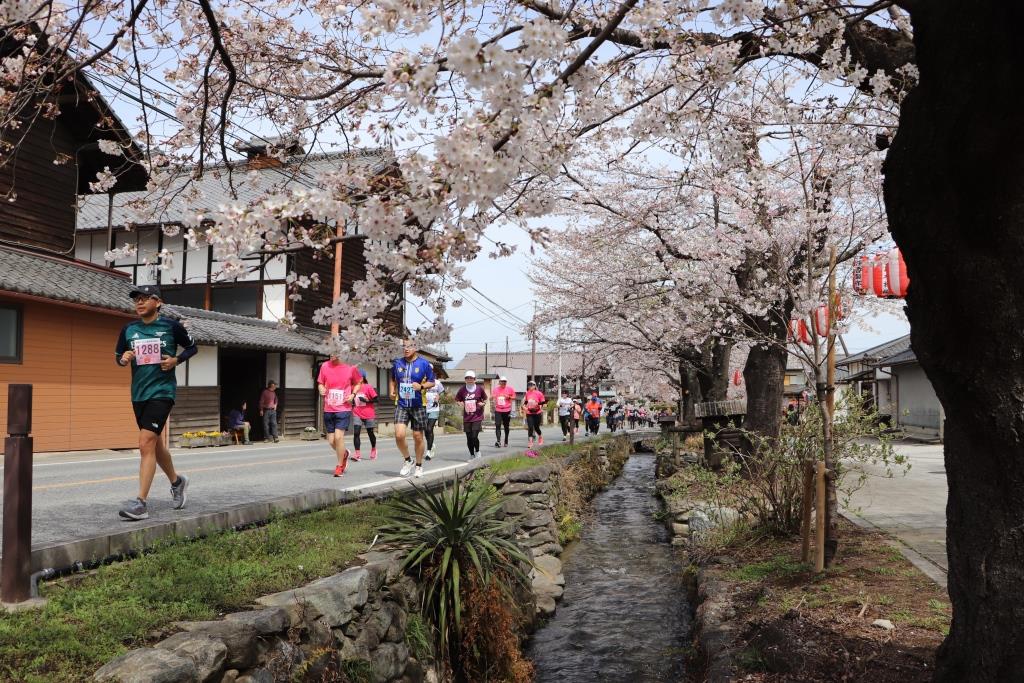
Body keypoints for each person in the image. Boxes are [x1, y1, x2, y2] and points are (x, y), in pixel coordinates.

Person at [114, 284, 197, 521]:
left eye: (144, 298)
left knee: (145, 442)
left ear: (157, 302)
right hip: (138, 393)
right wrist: (125, 358)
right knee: (154, 444)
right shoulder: (128, 329)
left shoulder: (171, 327)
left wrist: (175, 360)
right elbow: (119, 357)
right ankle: (177, 482)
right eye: (136, 299)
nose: (139, 303)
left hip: (162, 391)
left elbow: (193, 348)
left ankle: (140, 503)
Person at [390, 339, 436, 478]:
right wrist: (392, 390)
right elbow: (393, 379)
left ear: (415, 348)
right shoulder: (397, 363)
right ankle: (408, 460)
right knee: (399, 435)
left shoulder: (424, 364)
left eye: (409, 347)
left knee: (418, 437)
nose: (406, 349)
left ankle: (419, 465)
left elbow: (432, 382)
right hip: (402, 403)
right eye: (404, 346)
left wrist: (421, 386)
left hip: (418, 404)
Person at [317, 351, 363, 477]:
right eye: (330, 351)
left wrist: (353, 395)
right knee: (331, 441)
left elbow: (359, 382)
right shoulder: (325, 366)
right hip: (329, 408)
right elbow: (320, 382)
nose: (332, 354)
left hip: (343, 408)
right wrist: (321, 388)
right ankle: (345, 454)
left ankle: (339, 466)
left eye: (335, 351)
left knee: (338, 438)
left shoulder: (351, 367)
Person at [455, 370, 487, 459]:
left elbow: (485, 399)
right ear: (465, 379)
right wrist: (459, 403)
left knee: (474, 436)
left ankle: (477, 451)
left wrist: (483, 404)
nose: (469, 380)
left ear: (475, 379)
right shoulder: (462, 389)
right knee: (469, 438)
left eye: (471, 378)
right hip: (467, 417)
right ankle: (471, 454)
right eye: (467, 378)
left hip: (477, 416)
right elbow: (457, 399)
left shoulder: (479, 389)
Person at [352, 372, 379, 461]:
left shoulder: (368, 387)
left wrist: (367, 401)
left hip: (368, 413)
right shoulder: (353, 387)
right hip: (357, 413)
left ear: (363, 378)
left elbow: (376, 400)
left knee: (370, 433)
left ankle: (374, 449)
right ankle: (357, 454)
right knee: (356, 433)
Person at [492, 375, 515, 447]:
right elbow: (492, 397)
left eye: (504, 381)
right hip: (498, 409)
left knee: (506, 426)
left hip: (507, 410)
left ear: (506, 382)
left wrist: (509, 397)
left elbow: (514, 397)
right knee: (497, 425)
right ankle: (498, 441)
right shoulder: (495, 389)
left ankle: (506, 440)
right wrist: (492, 398)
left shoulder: (510, 389)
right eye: (502, 381)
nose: (503, 383)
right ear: (499, 382)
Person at [424, 378, 445, 460]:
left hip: (434, 408)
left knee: (429, 428)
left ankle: (428, 451)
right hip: (423, 408)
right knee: (426, 430)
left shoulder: (437, 382)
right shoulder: (422, 381)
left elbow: (442, 392)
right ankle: (431, 444)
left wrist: (438, 398)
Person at [523, 380, 546, 450]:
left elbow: (543, 403)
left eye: (531, 385)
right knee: (530, 427)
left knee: (536, 427)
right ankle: (530, 442)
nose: (530, 386)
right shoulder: (527, 394)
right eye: (529, 385)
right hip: (529, 413)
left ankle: (540, 436)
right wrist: (525, 407)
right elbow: (526, 402)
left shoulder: (539, 393)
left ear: (534, 386)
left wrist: (539, 406)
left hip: (537, 413)